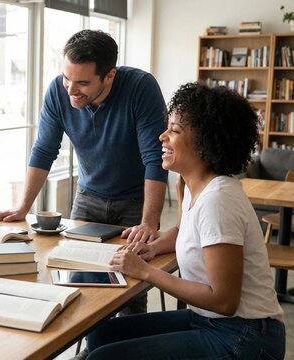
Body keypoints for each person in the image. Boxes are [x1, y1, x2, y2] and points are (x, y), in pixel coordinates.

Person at [85, 83, 285, 359]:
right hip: (210, 321)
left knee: (103, 357)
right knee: (101, 334)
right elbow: (182, 230)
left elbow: (224, 300)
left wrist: (146, 271)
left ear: (205, 143)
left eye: (175, 131)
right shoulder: (191, 185)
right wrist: (153, 248)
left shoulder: (219, 200)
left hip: (245, 335)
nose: (162, 136)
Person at [0, 29, 167, 244]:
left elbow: (155, 157)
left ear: (109, 76)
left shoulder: (141, 88)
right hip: (88, 198)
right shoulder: (57, 91)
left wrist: (148, 222)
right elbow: (44, 150)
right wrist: (22, 208)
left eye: (83, 83)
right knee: (72, 265)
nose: (71, 89)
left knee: (128, 270)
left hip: (136, 202)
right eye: (66, 77)